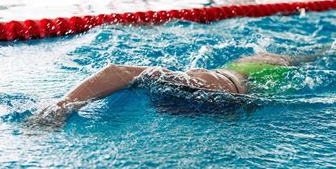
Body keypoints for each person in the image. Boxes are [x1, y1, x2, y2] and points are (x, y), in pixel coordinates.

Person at [32, 51, 305, 126]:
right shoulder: (190, 85)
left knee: (300, 59)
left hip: (247, 78)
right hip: (237, 76)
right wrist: (63, 105)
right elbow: (116, 71)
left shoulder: (208, 90)